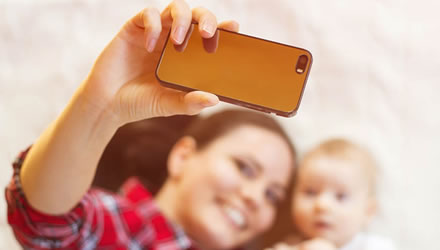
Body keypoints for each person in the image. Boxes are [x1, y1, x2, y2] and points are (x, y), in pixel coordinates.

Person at [5, 1, 297, 249]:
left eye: (273, 196)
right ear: (182, 157)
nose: (256, 197)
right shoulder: (122, 227)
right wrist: (102, 106)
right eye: (244, 167)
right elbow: (45, 221)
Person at [267, 138, 396, 250]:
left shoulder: (375, 246)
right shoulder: (292, 243)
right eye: (311, 193)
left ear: (368, 212)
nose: (322, 205)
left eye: (340, 197)